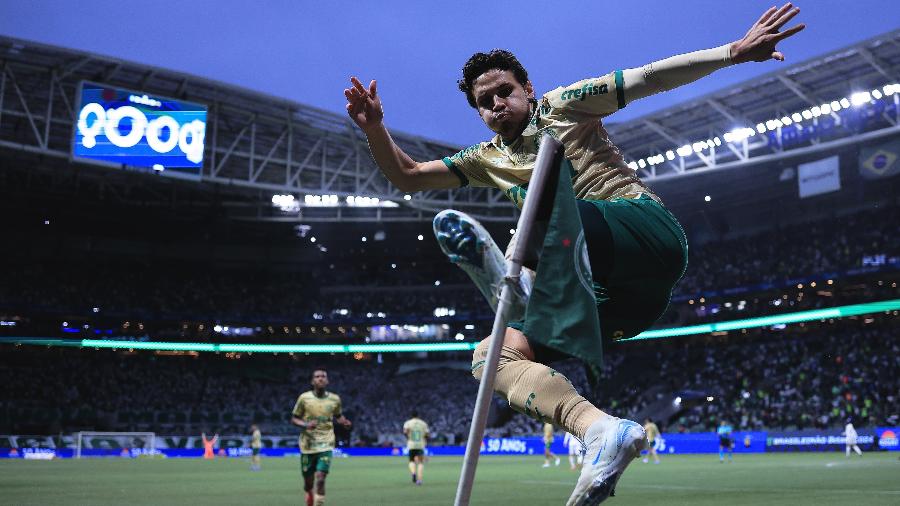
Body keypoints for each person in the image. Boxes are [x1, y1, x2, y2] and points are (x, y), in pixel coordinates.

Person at [344, 4, 804, 503]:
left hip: (642, 233)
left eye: (505, 91)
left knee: (544, 191)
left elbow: (648, 77)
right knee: (491, 357)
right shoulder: (485, 158)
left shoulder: (563, 106)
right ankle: (601, 431)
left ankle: (520, 282)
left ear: (528, 90)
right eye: (485, 100)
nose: (497, 103)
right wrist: (374, 129)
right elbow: (409, 176)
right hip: (623, 303)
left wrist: (732, 53)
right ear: (478, 112)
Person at [291, 368, 352, 506]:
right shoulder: (304, 398)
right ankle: (309, 492)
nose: (320, 378)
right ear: (312, 381)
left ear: (327, 380)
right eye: (317, 376)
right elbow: (294, 419)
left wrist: (345, 422)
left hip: (326, 443)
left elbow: (338, 416)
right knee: (308, 483)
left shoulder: (335, 399)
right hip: (308, 445)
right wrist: (305, 424)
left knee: (321, 478)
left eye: (323, 376)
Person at [402, 410, 429, 485]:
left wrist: (408, 437)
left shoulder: (408, 423)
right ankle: (419, 480)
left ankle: (413, 473)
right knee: (420, 462)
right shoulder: (423, 423)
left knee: (411, 461)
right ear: (418, 415)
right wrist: (424, 439)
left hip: (411, 444)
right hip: (420, 445)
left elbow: (405, 431)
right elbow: (427, 434)